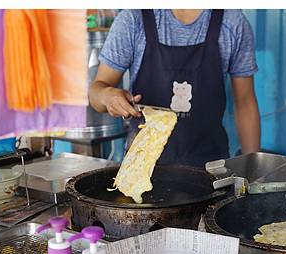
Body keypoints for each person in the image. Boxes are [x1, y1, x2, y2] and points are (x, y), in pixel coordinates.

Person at [89, 9, 261, 167]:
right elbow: (96, 92)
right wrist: (108, 96)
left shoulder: (232, 23)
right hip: (141, 167)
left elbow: (245, 102)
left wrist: (253, 171)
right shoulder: (133, 20)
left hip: (211, 169)